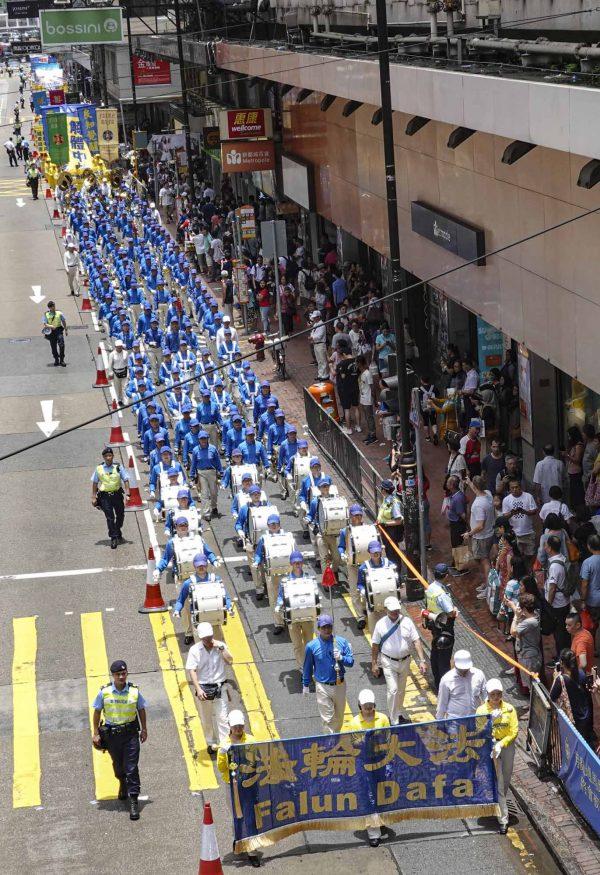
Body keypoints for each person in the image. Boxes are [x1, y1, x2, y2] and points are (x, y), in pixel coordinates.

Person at [91, 659, 147, 821]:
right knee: (118, 766)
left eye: (124, 673)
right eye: (118, 674)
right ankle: (122, 782)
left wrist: (144, 729)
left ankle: (133, 800)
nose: (121, 677)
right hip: (112, 736)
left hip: (130, 735)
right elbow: (97, 712)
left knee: (131, 767)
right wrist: (95, 733)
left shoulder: (134, 691)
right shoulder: (105, 692)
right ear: (113, 675)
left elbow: (141, 709)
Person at [371, 596, 427, 724]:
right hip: (388, 662)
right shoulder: (380, 624)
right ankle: (393, 719)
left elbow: (416, 641)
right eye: (392, 611)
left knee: (401, 690)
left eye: (397, 610)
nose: (395, 613)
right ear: (385, 610)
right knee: (393, 689)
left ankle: (398, 712)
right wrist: (374, 664)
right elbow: (375, 645)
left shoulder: (407, 622)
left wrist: (422, 660)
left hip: (405, 661)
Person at [216, 711, 261, 868]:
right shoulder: (224, 744)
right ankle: (240, 842)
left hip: (248, 784)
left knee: (250, 816)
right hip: (232, 786)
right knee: (236, 816)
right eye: (235, 726)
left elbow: (258, 760)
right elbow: (222, 769)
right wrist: (222, 754)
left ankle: (253, 852)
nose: (238, 729)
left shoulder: (251, 740)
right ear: (229, 726)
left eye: (241, 726)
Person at [347, 689, 390, 847]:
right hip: (364, 763)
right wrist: (365, 740)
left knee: (381, 792)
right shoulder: (354, 723)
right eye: (366, 706)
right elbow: (352, 744)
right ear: (359, 706)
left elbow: (388, 738)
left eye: (371, 706)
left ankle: (379, 820)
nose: (369, 709)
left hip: (380, 761)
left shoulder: (383, 718)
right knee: (369, 795)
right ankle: (373, 833)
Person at [476, 679, 518, 835]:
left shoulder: (510, 709)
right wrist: (489, 723)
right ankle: (503, 820)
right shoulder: (481, 711)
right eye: (492, 694)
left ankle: (499, 804)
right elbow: (478, 730)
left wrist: (502, 744)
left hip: (506, 747)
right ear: (487, 694)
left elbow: (513, 731)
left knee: (506, 779)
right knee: (500, 783)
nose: (495, 697)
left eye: (498, 694)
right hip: (491, 747)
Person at [186, 622, 233, 754]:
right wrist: (198, 689)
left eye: (209, 637)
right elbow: (192, 670)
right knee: (206, 718)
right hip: (204, 688)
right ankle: (211, 742)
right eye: (205, 638)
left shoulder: (220, 646)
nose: (208, 640)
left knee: (223, 717)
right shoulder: (195, 650)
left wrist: (222, 649)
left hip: (220, 687)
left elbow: (230, 660)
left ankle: (224, 745)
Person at [302, 614, 354, 734]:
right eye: (323, 627)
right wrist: (305, 684)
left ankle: (335, 736)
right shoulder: (311, 646)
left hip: (340, 685)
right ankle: (330, 741)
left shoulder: (341, 642)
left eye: (329, 627)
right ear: (318, 628)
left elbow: (351, 662)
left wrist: (341, 657)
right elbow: (307, 666)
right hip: (322, 686)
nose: (326, 630)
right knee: (328, 719)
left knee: (339, 717)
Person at [422, 563, 456, 690]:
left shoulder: (430, 588)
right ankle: (444, 687)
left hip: (434, 626)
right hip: (445, 628)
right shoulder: (441, 593)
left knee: (435, 654)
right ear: (446, 575)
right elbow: (450, 612)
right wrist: (455, 611)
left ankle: (437, 683)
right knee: (444, 659)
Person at [550, 649, 594, 743]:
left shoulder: (561, 680)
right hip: (585, 714)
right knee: (585, 741)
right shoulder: (581, 673)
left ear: (561, 663)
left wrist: (555, 678)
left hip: (573, 718)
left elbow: (552, 696)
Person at [91, 447, 131, 549]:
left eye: (110, 455)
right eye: (106, 456)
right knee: (110, 518)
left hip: (117, 495)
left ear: (113, 456)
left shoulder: (118, 467)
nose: (108, 458)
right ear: (103, 457)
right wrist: (93, 497)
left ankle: (117, 530)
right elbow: (95, 483)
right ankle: (113, 537)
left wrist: (128, 494)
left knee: (120, 515)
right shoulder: (99, 468)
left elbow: (126, 479)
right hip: (105, 497)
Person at [436, 649, 486, 719]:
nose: (463, 671)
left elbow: (486, 696)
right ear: (455, 665)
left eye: (466, 669)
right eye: (461, 669)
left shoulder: (479, 674)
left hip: (475, 718)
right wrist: (439, 721)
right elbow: (442, 703)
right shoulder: (446, 680)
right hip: (455, 720)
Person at [544, 534, 571, 658]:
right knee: (564, 631)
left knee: (559, 633)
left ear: (549, 548)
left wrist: (548, 604)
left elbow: (552, 588)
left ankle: (562, 658)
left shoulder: (554, 566)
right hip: (564, 601)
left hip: (557, 604)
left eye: (546, 545)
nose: (544, 548)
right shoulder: (563, 558)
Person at [463, 475, 495, 579]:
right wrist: (469, 483)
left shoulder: (478, 505)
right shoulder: (488, 494)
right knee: (483, 559)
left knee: (484, 561)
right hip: (490, 533)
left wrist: (469, 533)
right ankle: (486, 585)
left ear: (476, 487)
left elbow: (480, 526)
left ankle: (488, 586)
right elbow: (478, 490)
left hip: (481, 537)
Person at [501, 478, 538, 565]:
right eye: (512, 488)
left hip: (528, 532)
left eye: (516, 487)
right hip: (514, 533)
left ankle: (529, 572)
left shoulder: (528, 496)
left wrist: (524, 511)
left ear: (520, 487)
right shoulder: (506, 500)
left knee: (530, 555)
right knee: (516, 557)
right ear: (509, 489)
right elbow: (505, 516)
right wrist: (512, 513)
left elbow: (534, 511)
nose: (514, 489)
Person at [511, 593, 543, 692]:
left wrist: (515, 617)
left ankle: (535, 705)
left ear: (524, 609)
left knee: (533, 686)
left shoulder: (529, 622)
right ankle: (532, 704)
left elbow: (512, 632)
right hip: (532, 656)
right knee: (532, 685)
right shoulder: (536, 614)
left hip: (528, 658)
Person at [377, 478, 404, 562]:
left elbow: (399, 521)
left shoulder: (394, 502)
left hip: (391, 531)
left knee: (392, 552)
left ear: (384, 490)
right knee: (388, 551)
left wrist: (385, 523)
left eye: (381, 488)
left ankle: (396, 570)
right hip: (385, 530)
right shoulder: (386, 498)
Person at [580, 534, 600, 626]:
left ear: (589, 546)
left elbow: (584, 584)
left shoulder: (588, 562)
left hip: (593, 601)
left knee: (593, 625)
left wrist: (583, 600)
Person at [563, 426, 585, 509]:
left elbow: (577, 460)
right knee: (573, 492)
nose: (568, 438)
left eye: (569, 436)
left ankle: (578, 508)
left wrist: (567, 456)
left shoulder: (579, 445)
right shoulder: (573, 445)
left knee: (577, 493)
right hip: (571, 471)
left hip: (576, 472)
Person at [42, 300, 67, 367]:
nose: (54, 307)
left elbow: (63, 321)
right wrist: (51, 326)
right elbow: (45, 324)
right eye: (52, 306)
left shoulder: (59, 313)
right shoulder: (46, 314)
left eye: (54, 306)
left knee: (61, 344)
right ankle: (56, 359)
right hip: (51, 332)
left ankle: (62, 360)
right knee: (53, 346)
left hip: (59, 330)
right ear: (49, 308)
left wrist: (66, 329)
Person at [108, 338, 129, 405]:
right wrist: (110, 373)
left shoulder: (125, 353)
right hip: (116, 373)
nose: (119, 348)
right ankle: (119, 399)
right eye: (118, 347)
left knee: (124, 387)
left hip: (124, 371)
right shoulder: (112, 354)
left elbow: (128, 363)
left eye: (120, 347)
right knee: (117, 387)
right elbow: (110, 365)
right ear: (115, 347)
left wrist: (129, 373)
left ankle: (125, 401)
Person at [310, 310, 328, 380]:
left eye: (315, 317)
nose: (314, 319)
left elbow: (320, 335)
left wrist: (312, 337)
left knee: (323, 360)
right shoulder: (315, 324)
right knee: (319, 360)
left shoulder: (322, 325)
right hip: (315, 344)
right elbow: (312, 332)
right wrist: (312, 337)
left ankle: (325, 375)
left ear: (318, 317)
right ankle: (320, 374)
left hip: (321, 344)